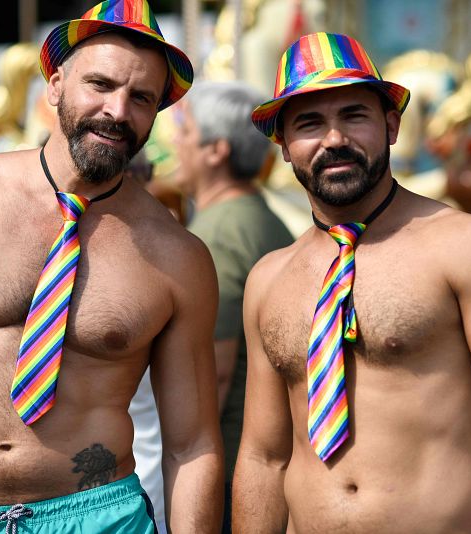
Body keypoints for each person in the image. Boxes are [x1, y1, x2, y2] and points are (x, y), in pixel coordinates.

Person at [0, 1, 224, 533]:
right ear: (56, 85)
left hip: (102, 519)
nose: (117, 110)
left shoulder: (178, 256)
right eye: (100, 84)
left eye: (141, 98)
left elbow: (192, 444)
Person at [233, 32, 471, 533]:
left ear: (391, 125)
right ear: (282, 145)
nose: (334, 139)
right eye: (309, 123)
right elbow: (264, 457)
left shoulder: (467, 246)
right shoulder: (268, 278)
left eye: (354, 116)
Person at [170, 81, 294, 532]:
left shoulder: (219, 235)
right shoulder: (259, 217)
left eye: (186, 131)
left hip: (230, 463)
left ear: (215, 150)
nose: (175, 143)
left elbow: (214, 371)